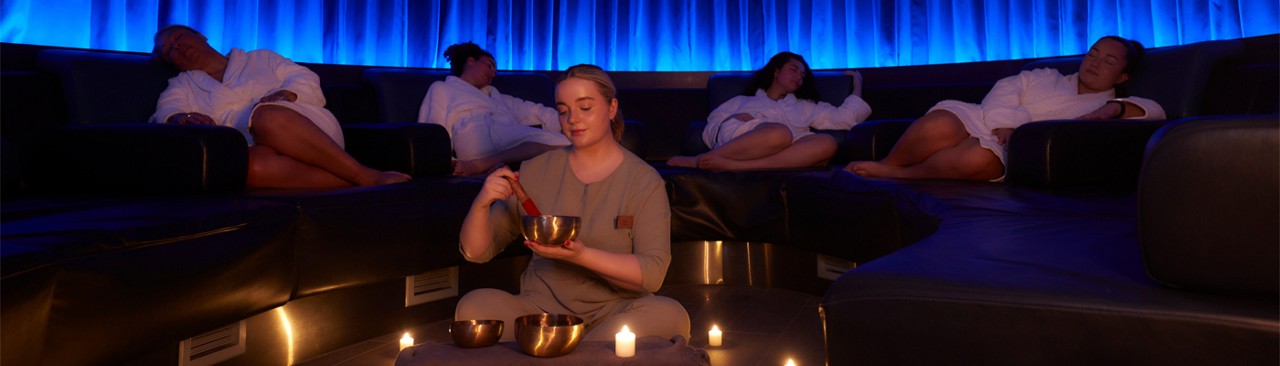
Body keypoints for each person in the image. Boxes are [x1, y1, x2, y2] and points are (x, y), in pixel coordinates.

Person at [455, 64, 691, 342]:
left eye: (585, 108)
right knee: (473, 307)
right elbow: (476, 252)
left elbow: (652, 275)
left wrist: (580, 255)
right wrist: (482, 202)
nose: (573, 119)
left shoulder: (644, 181)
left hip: (614, 315)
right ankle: (590, 354)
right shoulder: (534, 171)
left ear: (612, 108)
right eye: (563, 110)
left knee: (670, 315)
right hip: (541, 315)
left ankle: (567, 352)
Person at [845, 36, 1166, 181]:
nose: (1094, 62)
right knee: (937, 124)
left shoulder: (1109, 106)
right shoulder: (1046, 75)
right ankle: (888, 164)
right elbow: (1006, 88)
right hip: (988, 118)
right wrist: (1005, 122)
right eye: (1092, 53)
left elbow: (1156, 112)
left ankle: (902, 174)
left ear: (1122, 77)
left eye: (1108, 61)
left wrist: (1115, 110)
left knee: (975, 158)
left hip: (1017, 147)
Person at [149, 25, 410, 189]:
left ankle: (366, 175)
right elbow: (167, 111)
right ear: (171, 62)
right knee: (249, 167)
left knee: (267, 117)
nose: (178, 46)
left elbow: (304, 77)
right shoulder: (181, 86)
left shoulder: (261, 58)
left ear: (201, 36)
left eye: (179, 37)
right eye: (170, 50)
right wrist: (181, 117)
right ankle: (347, 179)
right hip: (257, 148)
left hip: (307, 128)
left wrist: (289, 94)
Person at [666, 51, 872, 170]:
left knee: (827, 142)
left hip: (787, 147)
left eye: (802, 75)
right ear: (776, 71)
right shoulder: (742, 101)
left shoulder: (805, 106)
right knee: (778, 134)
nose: (798, 77)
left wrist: (857, 84)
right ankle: (702, 160)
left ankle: (735, 166)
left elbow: (846, 118)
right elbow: (713, 125)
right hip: (750, 137)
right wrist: (732, 119)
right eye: (793, 70)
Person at [418, 42, 570, 176]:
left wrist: (569, 122)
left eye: (495, 72)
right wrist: (450, 161)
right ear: (470, 61)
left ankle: (494, 165)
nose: (492, 73)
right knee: (567, 146)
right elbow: (434, 128)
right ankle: (486, 164)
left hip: (505, 135)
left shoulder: (496, 96)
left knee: (569, 144)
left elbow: (535, 111)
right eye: (489, 66)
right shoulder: (443, 87)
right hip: (474, 135)